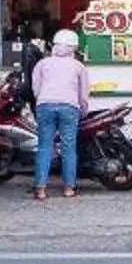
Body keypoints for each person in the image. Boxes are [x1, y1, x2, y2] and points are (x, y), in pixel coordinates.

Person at [29, 28, 90, 201]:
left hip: (45, 106)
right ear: (73, 48)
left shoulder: (42, 64)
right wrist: (83, 110)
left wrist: (42, 101)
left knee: (44, 147)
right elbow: (83, 94)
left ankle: (40, 189)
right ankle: (68, 188)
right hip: (69, 107)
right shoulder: (78, 66)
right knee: (68, 147)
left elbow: (36, 88)